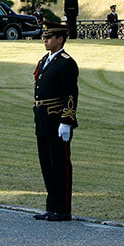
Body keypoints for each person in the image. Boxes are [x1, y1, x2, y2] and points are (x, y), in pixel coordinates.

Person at [32, 21, 79, 221]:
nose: (45, 40)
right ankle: (52, 207)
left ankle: (63, 209)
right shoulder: (45, 60)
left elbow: (70, 94)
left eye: (49, 37)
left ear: (60, 39)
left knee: (60, 165)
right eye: (44, 37)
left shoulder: (66, 62)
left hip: (57, 120)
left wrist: (67, 120)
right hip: (43, 120)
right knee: (47, 165)